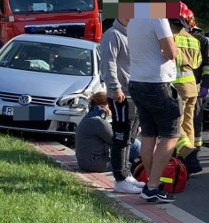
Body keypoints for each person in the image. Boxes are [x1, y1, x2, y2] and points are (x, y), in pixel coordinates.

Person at [128, 16, 179, 203]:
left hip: (137, 81)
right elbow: (171, 52)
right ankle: (153, 186)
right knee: (170, 135)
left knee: (149, 135)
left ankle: (151, 182)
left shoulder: (134, 20)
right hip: (157, 83)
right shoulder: (158, 19)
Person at [100, 14, 145, 194]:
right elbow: (108, 63)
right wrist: (115, 88)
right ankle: (119, 179)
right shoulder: (113, 35)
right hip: (121, 94)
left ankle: (126, 175)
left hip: (133, 93)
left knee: (130, 136)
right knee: (121, 135)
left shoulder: (132, 35)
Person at [75, 91, 142, 178]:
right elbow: (120, 141)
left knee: (132, 144)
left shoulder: (89, 118)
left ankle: (144, 165)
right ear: (103, 107)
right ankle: (146, 166)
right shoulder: (98, 122)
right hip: (95, 164)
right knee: (133, 145)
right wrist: (135, 131)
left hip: (87, 162)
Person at [170, 3, 202, 169]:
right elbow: (197, 63)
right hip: (191, 86)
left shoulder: (170, 37)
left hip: (176, 87)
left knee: (176, 124)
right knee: (188, 123)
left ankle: (187, 152)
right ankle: (188, 161)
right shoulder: (193, 40)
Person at [187, 15, 209, 175]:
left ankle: (193, 155)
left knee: (193, 122)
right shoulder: (173, 36)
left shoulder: (201, 40)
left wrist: (205, 84)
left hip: (194, 87)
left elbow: (208, 64)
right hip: (185, 87)